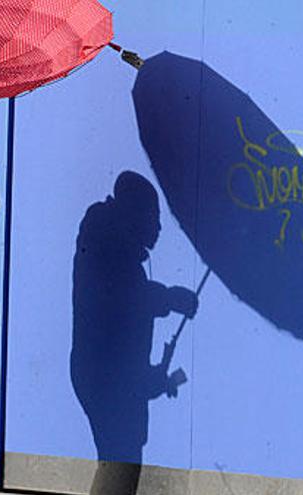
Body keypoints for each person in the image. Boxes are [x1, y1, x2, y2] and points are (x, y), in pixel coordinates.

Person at [70, 171, 197, 495]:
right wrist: (170, 298)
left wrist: (151, 381)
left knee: (120, 465)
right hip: (104, 377)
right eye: (153, 217)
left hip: (109, 377)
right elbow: (122, 297)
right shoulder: (105, 245)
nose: (158, 228)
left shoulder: (110, 247)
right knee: (119, 467)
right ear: (133, 212)